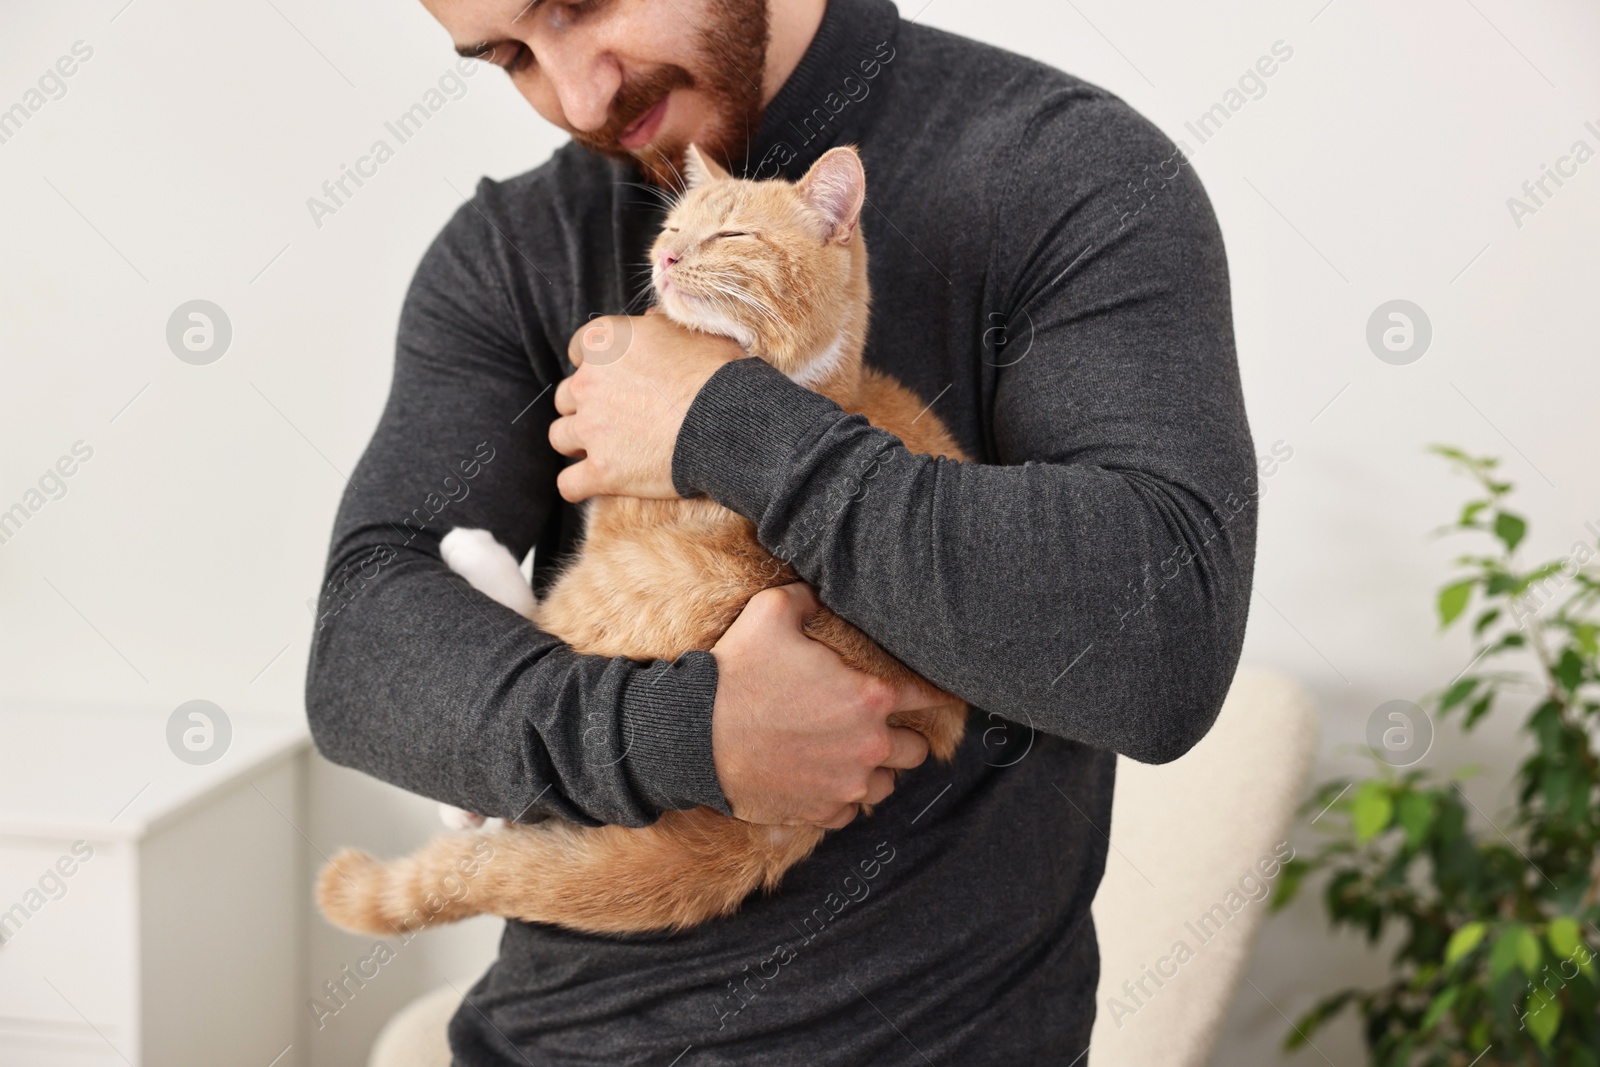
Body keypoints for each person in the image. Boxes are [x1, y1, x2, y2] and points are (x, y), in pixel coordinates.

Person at [305, 0, 1258, 1062]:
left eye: (578, 4)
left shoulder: (1065, 168)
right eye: (509, 57)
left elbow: (1157, 647)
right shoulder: (510, 246)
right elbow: (362, 650)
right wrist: (685, 732)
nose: (575, 96)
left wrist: (721, 421)